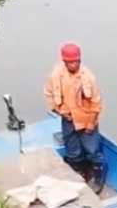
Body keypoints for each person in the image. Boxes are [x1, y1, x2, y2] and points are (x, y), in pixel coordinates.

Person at [43, 42, 105, 192]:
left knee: (92, 151)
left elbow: (97, 102)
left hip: (86, 119)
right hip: (69, 120)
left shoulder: (87, 77)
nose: (73, 65)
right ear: (64, 61)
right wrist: (59, 110)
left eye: (76, 61)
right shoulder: (56, 75)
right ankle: (79, 174)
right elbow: (48, 93)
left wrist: (91, 123)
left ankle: (98, 177)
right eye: (70, 62)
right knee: (73, 152)